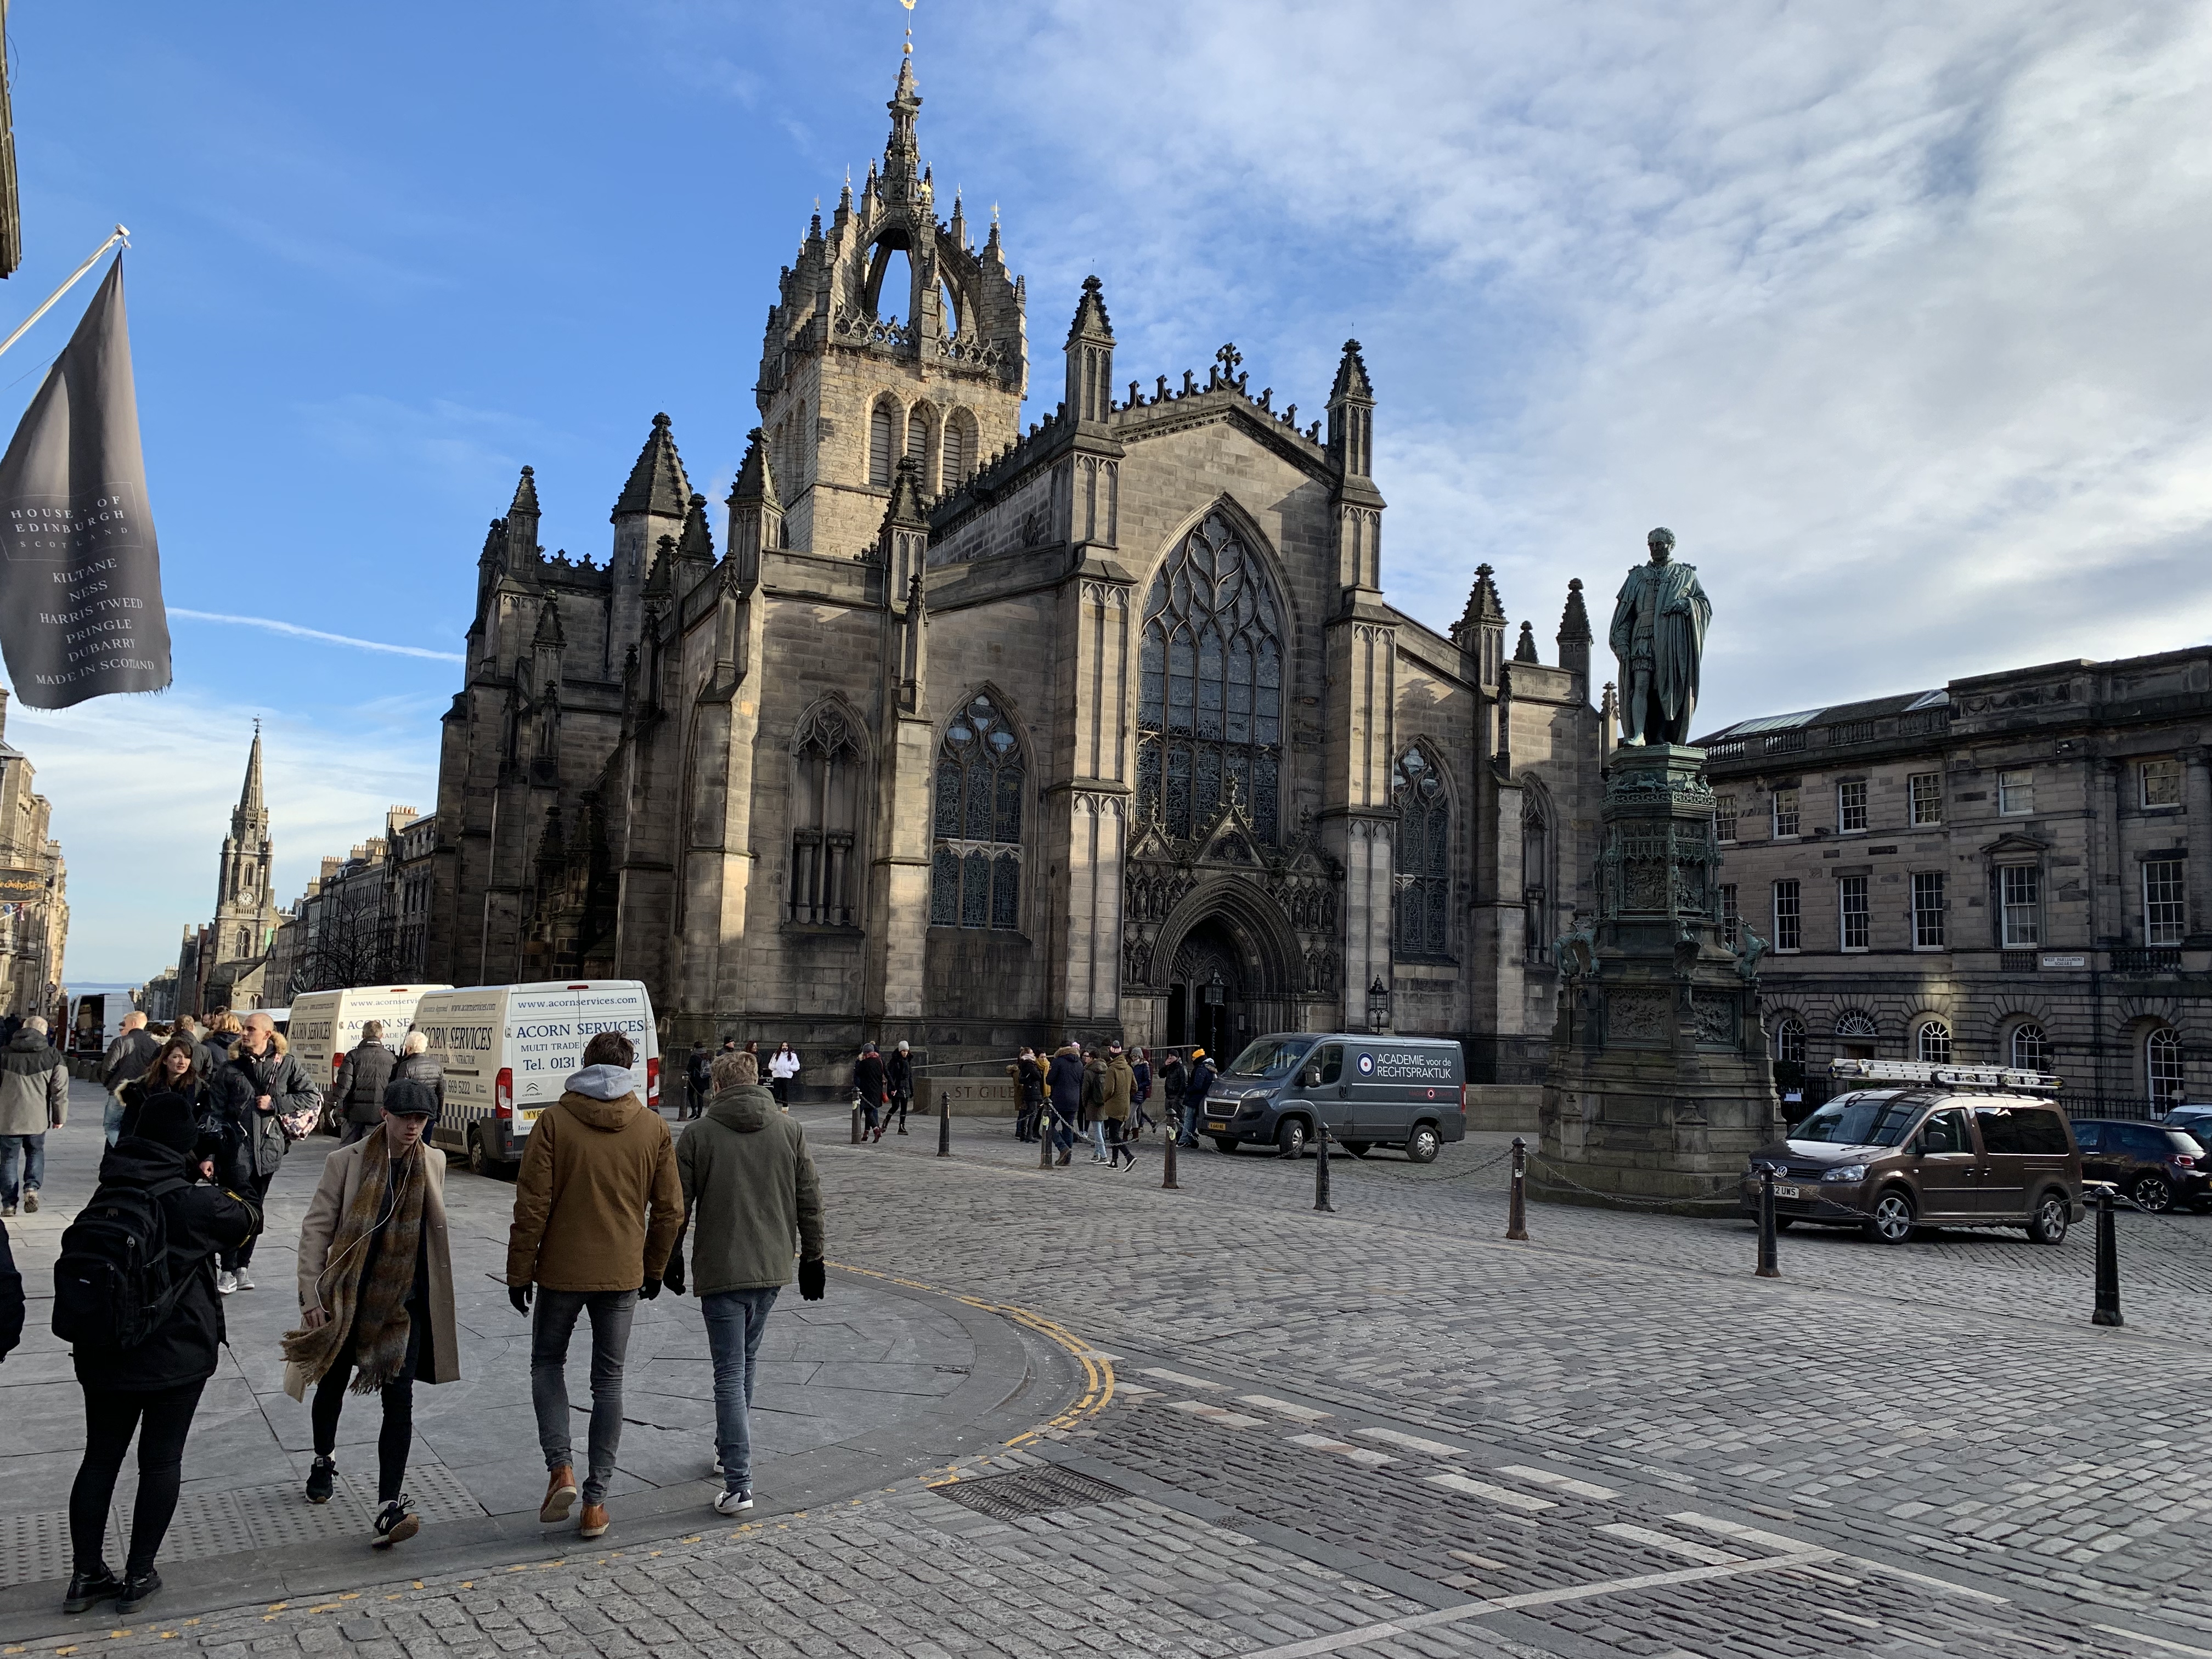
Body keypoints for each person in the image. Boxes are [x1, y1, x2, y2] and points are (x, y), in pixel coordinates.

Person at [61, 1091, 258, 1617]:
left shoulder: (109, 1188)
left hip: (103, 1349)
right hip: (174, 1352)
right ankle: (139, 1573)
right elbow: (248, 1220)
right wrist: (222, 1172)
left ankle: (85, 1575)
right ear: (185, 1143)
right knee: (161, 1460)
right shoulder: (192, 1199)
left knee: (99, 1459)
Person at [506, 1031, 683, 1541]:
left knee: (547, 1363)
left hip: (561, 1270)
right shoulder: (652, 1126)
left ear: (584, 1065)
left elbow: (532, 1206)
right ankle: (596, 1502)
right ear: (629, 1069)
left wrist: (520, 1271)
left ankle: (560, 1467)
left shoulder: (555, 1122)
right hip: (622, 1272)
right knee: (609, 1382)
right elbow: (670, 1210)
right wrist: (654, 1267)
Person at [285, 1078, 458, 1548]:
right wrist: (311, 1297)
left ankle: (388, 1506)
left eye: (421, 1120)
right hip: (349, 1295)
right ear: (386, 1114)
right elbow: (317, 1229)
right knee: (333, 1383)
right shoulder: (346, 1161)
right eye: (406, 1118)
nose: (413, 1128)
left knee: (399, 1400)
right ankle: (324, 1459)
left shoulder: (434, 1162)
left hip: (403, 1303)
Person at [669, 1049, 824, 1515]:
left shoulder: (697, 1134)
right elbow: (810, 1199)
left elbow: (676, 1208)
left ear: (716, 1087)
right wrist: (813, 1256)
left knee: (729, 1373)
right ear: (758, 1080)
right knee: (746, 1361)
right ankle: (725, 1448)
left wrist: (667, 1256)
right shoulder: (790, 1130)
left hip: (721, 1270)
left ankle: (739, 1483)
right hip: (771, 1267)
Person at [208, 1012, 319, 1294]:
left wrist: (276, 1103)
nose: (244, 1033)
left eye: (251, 1029)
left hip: (268, 1150)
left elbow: (311, 1096)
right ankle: (228, 1270)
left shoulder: (287, 1066)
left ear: (268, 1035)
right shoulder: (230, 1068)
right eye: (244, 1029)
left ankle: (243, 1267)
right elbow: (215, 1112)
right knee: (234, 1210)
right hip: (234, 1151)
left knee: (255, 1209)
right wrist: (211, 1153)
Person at [0, 1014, 67, 1217]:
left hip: (7, 1118)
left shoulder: (3, 1053)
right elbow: (60, 1090)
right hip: (37, 1118)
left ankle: (9, 1205)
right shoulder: (53, 1055)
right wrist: (59, 1117)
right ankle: (32, 1188)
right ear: (45, 1032)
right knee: (35, 1152)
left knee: (9, 1159)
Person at [331, 1021, 398, 1148]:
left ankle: (349, 1168)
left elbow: (344, 1085)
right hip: (379, 1113)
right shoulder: (391, 1058)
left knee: (347, 1150)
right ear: (381, 1035)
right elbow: (394, 1087)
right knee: (373, 1149)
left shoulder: (353, 1056)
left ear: (363, 1035)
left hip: (353, 1112)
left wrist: (336, 1103)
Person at [100, 1013, 160, 1145]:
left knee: (111, 1125)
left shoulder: (120, 1042)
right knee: (138, 1125)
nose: (123, 1025)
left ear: (133, 1023)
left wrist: (109, 1084)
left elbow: (108, 1067)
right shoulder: (154, 1044)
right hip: (144, 1091)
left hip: (121, 1090)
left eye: (125, 1023)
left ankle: (122, 1150)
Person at [1044, 1042, 1084, 1168]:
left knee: (1047, 1124)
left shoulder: (1058, 1061)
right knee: (1068, 1127)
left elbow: (1049, 1080)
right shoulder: (1079, 1063)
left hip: (1060, 1099)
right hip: (1074, 1101)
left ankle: (1063, 1148)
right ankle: (1067, 1159)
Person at [1102, 1042, 1136, 1171]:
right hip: (1125, 1105)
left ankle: (1129, 1156)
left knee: (1114, 1136)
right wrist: (1126, 1095)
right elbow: (1135, 1087)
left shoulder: (1112, 1069)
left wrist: (1104, 1099)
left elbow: (1109, 1090)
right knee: (1114, 1133)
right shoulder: (1129, 1068)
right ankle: (1114, 1161)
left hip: (1114, 1105)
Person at [393, 1030, 444, 1113]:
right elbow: (440, 1093)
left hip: (412, 1113)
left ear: (409, 1048)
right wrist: (438, 1114)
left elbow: (401, 1092)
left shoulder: (406, 1065)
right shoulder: (437, 1066)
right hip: (430, 1112)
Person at [1181, 1048, 1216, 1148]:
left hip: (1195, 1098)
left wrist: (1188, 1090)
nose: (1192, 1059)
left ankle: (1184, 1140)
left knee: (1188, 1119)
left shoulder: (1201, 1069)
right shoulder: (1208, 1067)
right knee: (1191, 1120)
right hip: (1199, 1098)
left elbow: (1198, 1085)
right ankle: (1189, 1139)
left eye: (1194, 1058)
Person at [852, 1042, 887, 1139]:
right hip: (876, 1091)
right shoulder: (879, 1061)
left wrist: (859, 1061)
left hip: (866, 1092)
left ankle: (874, 1130)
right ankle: (874, 1130)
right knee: (871, 1112)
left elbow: (857, 1073)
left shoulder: (864, 1063)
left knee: (867, 1111)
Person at [1009, 1048, 1044, 1142]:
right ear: (1028, 1054)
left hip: (1028, 1091)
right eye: (1032, 1053)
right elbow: (1038, 1076)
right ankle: (1029, 1134)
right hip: (1033, 1091)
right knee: (1033, 1114)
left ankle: (1023, 1134)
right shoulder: (1030, 1064)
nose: (1034, 1055)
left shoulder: (1023, 1064)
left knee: (1026, 1113)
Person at [1081, 1049, 1109, 1162]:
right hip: (1103, 1102)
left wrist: (1084, 1102)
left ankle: (1104, 1156)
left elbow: (1085, 1090)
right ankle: (1096, 1154)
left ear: (1092, 1058)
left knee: (1097, 1131)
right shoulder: (1106, 1069)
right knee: (1100, 1127)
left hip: (1093, 1102)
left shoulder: (1088, 1071)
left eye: (1088, 1057)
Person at [883, 1040, 914, 1137]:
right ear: (900, 1051)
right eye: (904, 1051)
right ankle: (886, 1121)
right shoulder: (895, 1062)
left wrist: (912, 1089)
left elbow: (910, 1076)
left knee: (904, 1107)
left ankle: (902, 1126)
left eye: (907, 1051)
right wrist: (892, 1088)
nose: (905, 1053)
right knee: (895, 1106)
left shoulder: (908, 1061)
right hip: (897, 1086)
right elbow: (891, 1076)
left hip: (906, 1087)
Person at [1160, 1051, 1187, 1146]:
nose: (1170, 1057)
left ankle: (1180, 1139)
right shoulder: (1170, 1067)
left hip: (1177, 1097)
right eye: (1169, 1056)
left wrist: (1178, 1097)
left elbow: (1184, 1084)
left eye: (1172, 1056)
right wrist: (1165, 1065)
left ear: (1177, 1057)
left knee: (1179, 1119)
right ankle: (1171, 1139)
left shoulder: (1181, 1068)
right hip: (1169, 1096)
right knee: (1170, 1121)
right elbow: (1161, 1075)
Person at [684, 1040, 712, 1121]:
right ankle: (699, 1113)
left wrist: (686, 1073)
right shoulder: (707, 1056)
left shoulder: (694, 1057)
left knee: (690, 1094)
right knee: (700, 1097)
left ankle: (694, 1110)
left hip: (695, 1079)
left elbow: (689, 1068)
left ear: (695, 1048)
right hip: (704, 1079)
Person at [768, 1043, 800, 1109]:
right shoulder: (776, 1055)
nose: (784, 1047)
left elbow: (797, 1066)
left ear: (788, 1047)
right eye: (783, 1046)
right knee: (776, 1093)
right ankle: (773, 1109)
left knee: (785, 1093)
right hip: (777, 1076)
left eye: (786, 1046)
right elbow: (770, 1066)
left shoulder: (793, 1056)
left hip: (786, 1077)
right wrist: (777, 1067)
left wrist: (788, 1067)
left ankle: (785, 1109)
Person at [1131, 1047, 1154, 1136]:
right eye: (1132, 1055)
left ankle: (1137, 1129)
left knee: (1133, 1113)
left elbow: (1148, 1081)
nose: (1133, 1057)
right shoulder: (1133, 1065)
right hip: (1133, 1092)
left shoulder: (1145, 1065)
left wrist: (1138, 1086)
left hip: (1140, 1092)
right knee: (1135, 1113)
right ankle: (1136, 1133)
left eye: (1135, 1055)